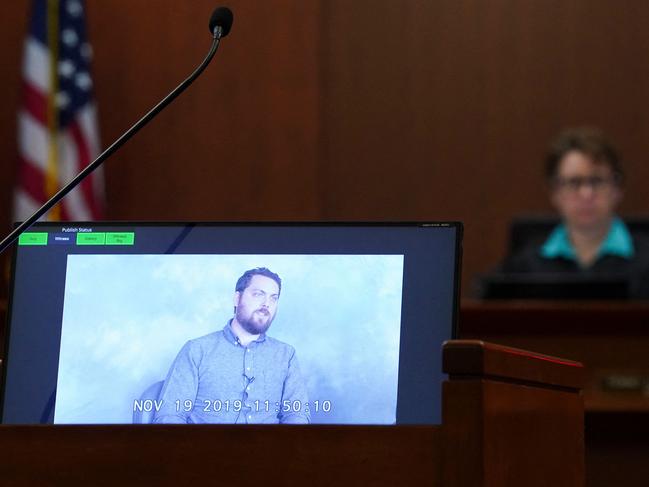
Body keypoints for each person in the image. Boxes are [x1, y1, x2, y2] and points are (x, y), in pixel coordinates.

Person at [499, 127, 649, 297]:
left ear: (617, 189)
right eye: (574, 182)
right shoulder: (522, 268)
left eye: (597, 181)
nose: (586, 194)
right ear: (555, 192)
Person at [153, 267, 310, 424]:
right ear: (237, 299)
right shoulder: (196, 350)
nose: (266, 304)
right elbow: (169, 416)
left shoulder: (286, 355)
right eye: (258, 294)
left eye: (273, 298)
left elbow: (297, 416)